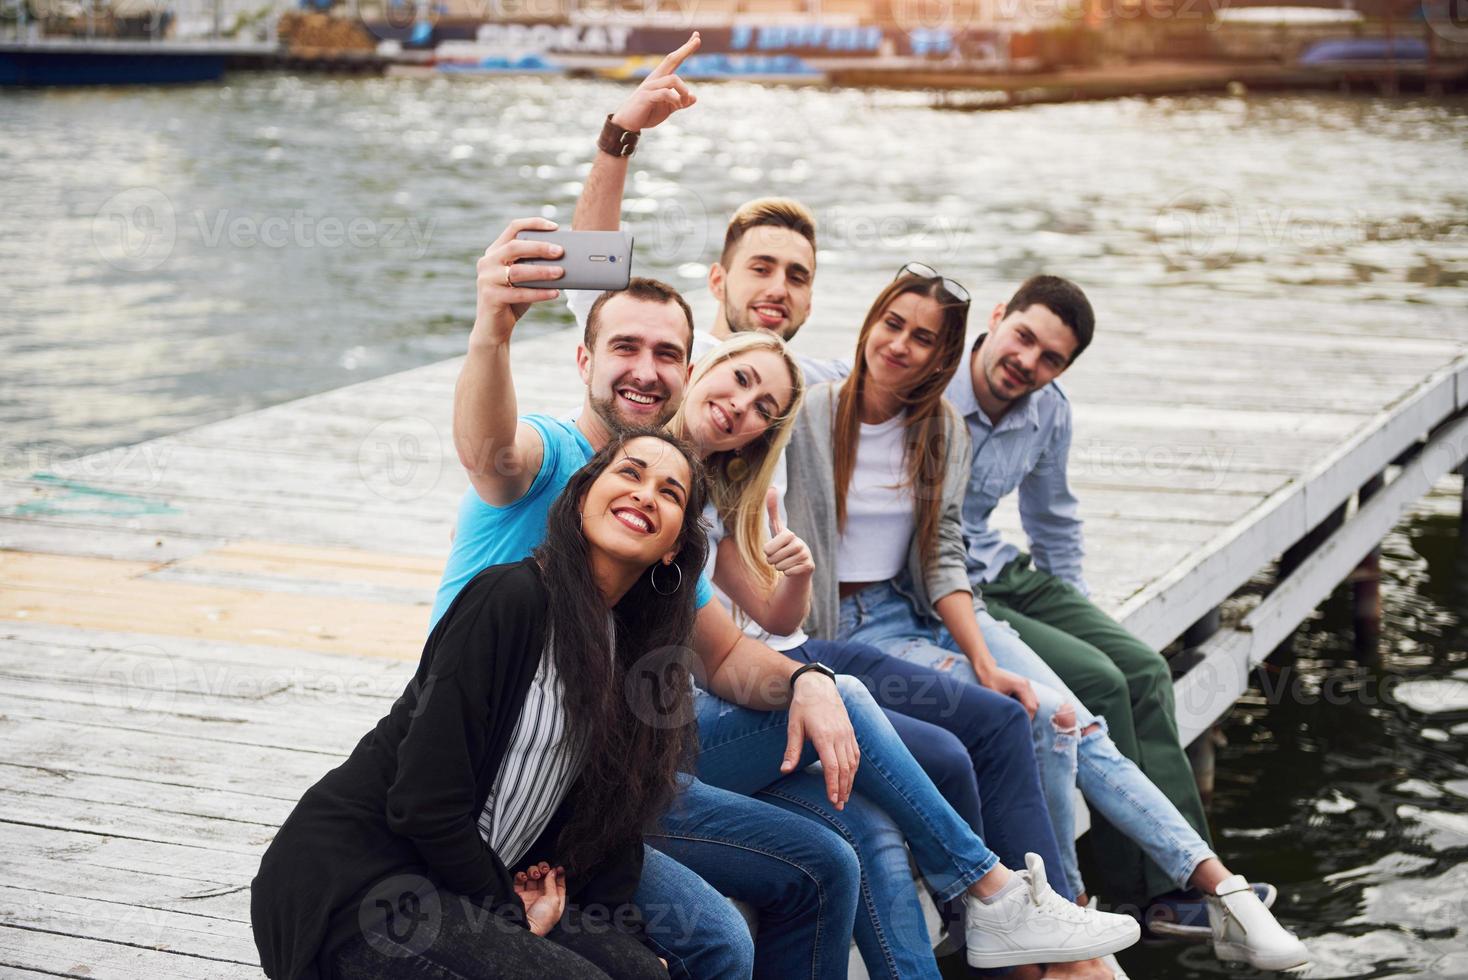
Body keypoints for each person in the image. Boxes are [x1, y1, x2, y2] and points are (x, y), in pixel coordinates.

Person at [784, 266, 1310, 973]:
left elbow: (943, 560)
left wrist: (983, 656)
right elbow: (738, 380)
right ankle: (1074, 920)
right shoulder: (809, 411)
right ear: (869, 323)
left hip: (927, 608)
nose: (901, 345)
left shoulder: (939, 426)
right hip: (848, 629)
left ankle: (1221, 889)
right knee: (1036, 721)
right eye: (892, 325)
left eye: (923, 338)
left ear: (944, 354)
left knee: (1070, 719)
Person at [670, 330, 1124, 979]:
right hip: (664, 746)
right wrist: (812, 685)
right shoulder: (645, 482)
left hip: (713, 715)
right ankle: (989, 889)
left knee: (867, 829)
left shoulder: (710, 490)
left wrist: (796, 579)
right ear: (701, 366)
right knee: (846, 699)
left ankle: (974, 923)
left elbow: (760, 626)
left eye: (765, 406)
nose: (744, 405)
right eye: (739, 379)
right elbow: (725, 653)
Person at [251, 430, 708, 980]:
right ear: (584, 492)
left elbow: (611, 831)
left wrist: (628, 943)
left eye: (670, 492)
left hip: (464, 889)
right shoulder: (510, 599)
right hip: (363, 885)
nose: (645, 494)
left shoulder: (634, 654)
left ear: (674, 547)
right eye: (630, 473)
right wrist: (505, 908)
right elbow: (424, 799)